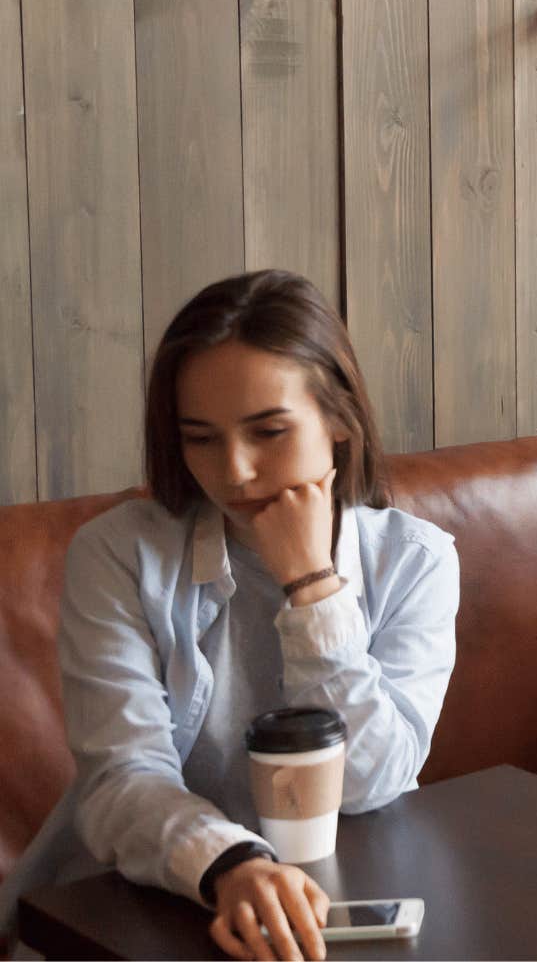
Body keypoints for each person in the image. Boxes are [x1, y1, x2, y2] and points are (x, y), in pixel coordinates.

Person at [0, 271, 459, 962]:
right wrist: (231, 865)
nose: (236, 471)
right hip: (137, 898)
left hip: (329, 901)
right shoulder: (119, 553)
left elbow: (372, 782)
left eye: (268, 430)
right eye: (201, 438)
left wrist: (311, 586)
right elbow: (122, 775)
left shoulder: (416, 560)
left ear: (339, 418)